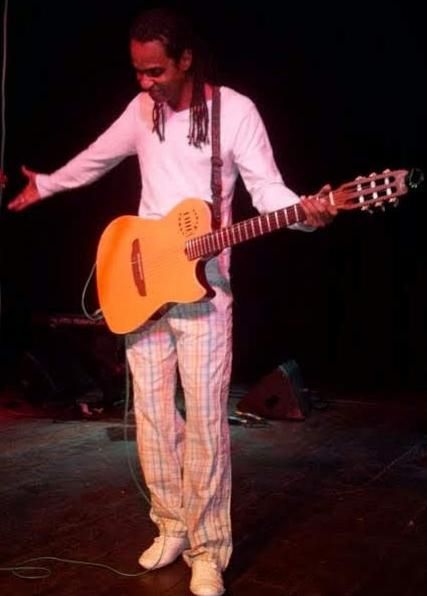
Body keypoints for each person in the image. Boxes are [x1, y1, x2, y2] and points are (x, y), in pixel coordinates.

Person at [8, 7, 337, 595]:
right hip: (143, 282)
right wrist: (47, 184)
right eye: (137, 71)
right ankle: (172, 524)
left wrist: (307, 214)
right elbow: (97, 157)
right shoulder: (142, 110)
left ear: (186, 60)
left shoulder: (235, 112)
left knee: (207, 421)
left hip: (205, 291)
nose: (145, 82)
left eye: (155, 71)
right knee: (154, 415)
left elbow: (267, 191)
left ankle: (209, 548)